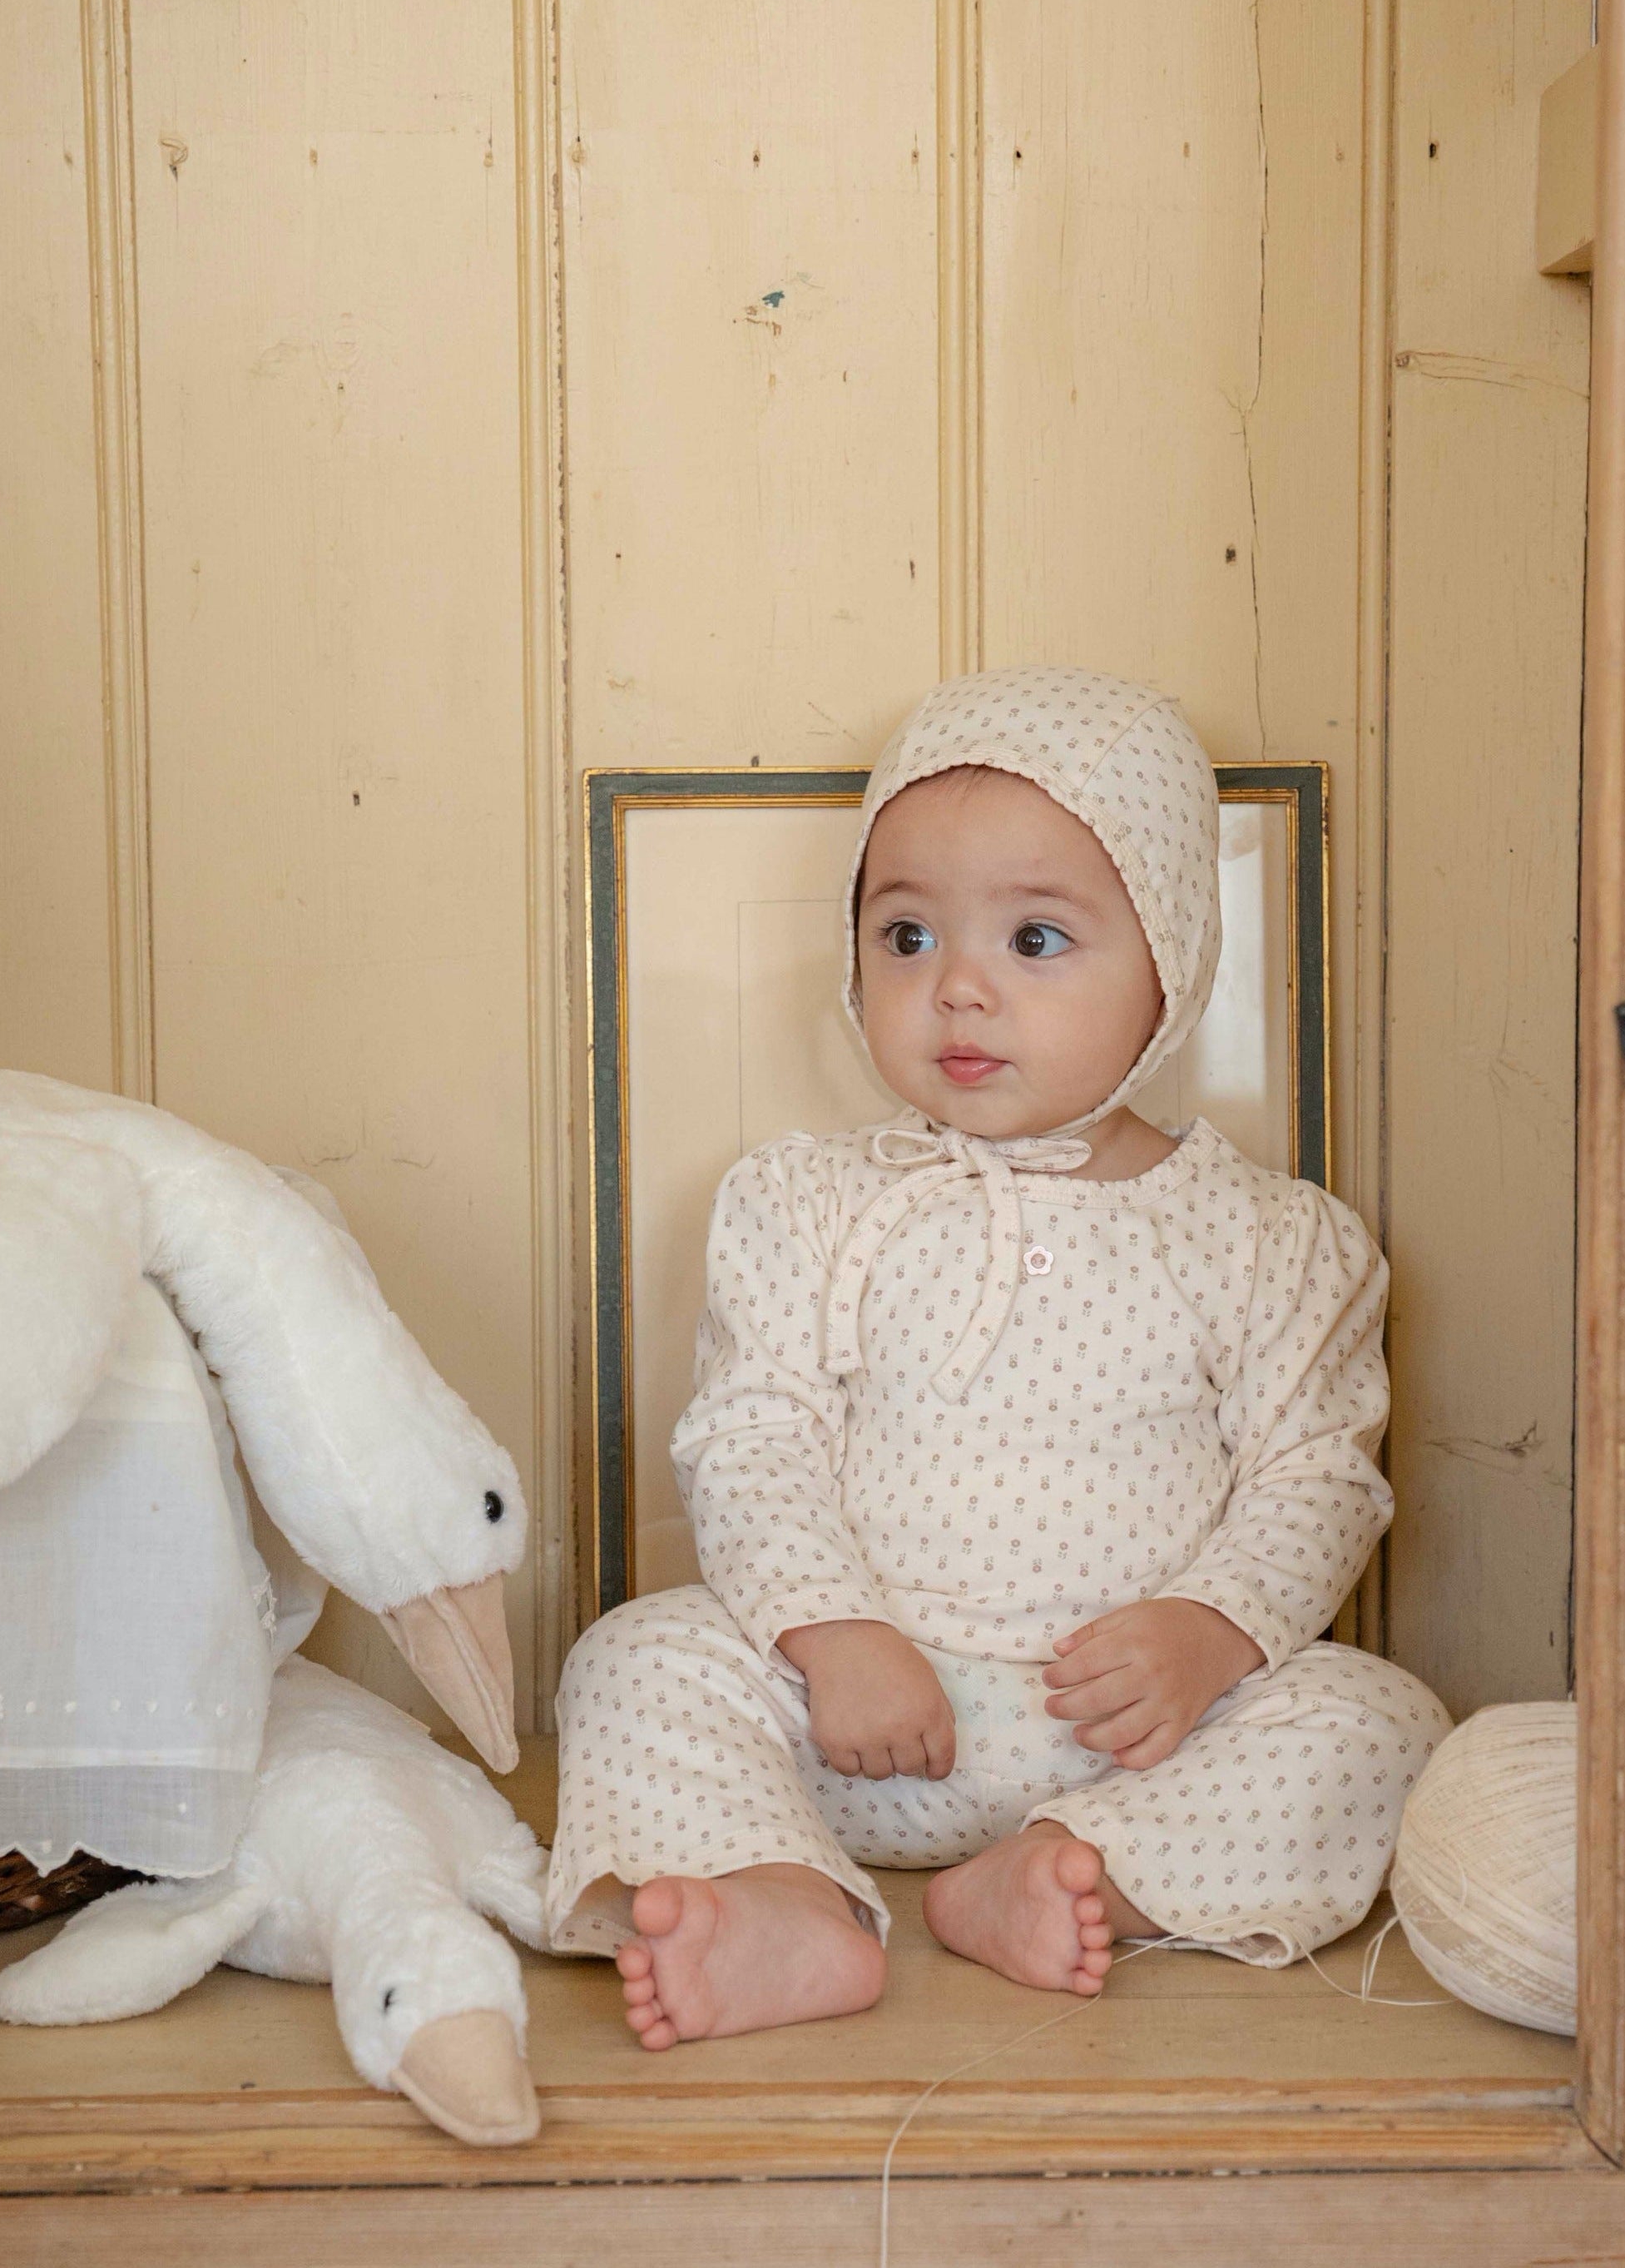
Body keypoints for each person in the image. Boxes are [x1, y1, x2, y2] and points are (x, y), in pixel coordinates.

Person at [547, 665, 1449, 2050]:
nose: (957, 988)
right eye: (904, 935)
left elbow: (1316, 1476)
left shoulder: (1269, 1239)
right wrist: (829, 1631)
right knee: (632, 1659)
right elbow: (749, 1435)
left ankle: (1072, 1875)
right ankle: (781, 1895)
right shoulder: (803, 1203)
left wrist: (1210, 1633)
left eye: (1035, 940)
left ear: (1171, 958)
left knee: (1378, 1724)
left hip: (1130, 1740)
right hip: (842, 1721)